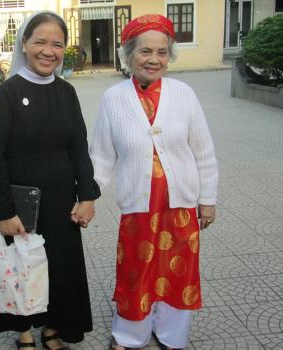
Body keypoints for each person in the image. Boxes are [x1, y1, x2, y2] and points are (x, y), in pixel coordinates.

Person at [90, 14, 218, 350]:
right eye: (145, 51)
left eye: (162, 52)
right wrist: (86, 196)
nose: (154, 59)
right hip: (138, 205)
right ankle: (130, 336)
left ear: (169, 56)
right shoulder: (113, 99)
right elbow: (101, 157)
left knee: (179, 272)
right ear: (129, 54)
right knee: (136, 270)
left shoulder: (184, 94)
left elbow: (203, 152)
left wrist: (208, 198)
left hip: (181, 206)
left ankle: (172, 335)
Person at [0, 11, 101, 350]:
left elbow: (79, 149)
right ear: (24, 44)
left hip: (61, 200)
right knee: (21, 269)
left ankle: (51, 328)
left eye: (57, 44)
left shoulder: (66, 93)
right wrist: (3, 211)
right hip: (20, 203)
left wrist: (88, 196)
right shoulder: (5, 95)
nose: (49, 51)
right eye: (41, 42)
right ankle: (23, 334)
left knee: (57, 268)